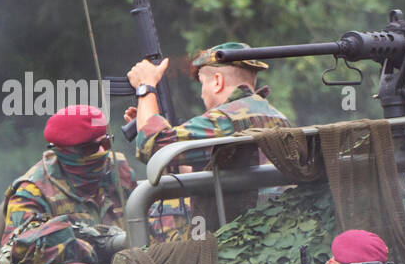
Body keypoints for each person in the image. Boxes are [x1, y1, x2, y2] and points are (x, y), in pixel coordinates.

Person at [0, 105, 134, 264]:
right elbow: (17, 255)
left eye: (107, 143)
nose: (102, 153)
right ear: (64, 151)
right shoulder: (32, 191)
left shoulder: (116, 170)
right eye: (92, 148)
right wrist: (76, 244)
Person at [125, 41, 291, 231]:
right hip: (270, 236)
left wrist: (145, 87)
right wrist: (147, 118)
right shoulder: (275, 116)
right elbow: (227, 168)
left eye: (203, 84)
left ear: (217, 81)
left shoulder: (226, 120)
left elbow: (152, 146)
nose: (202, 95)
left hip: (237, 246)